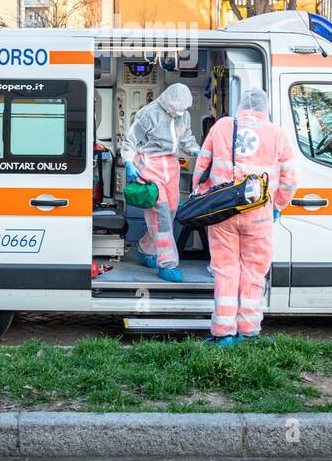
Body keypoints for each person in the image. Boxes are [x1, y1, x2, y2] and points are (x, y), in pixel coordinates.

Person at [193, 88, 298, 346]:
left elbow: (202, 168)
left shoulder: (222, 126)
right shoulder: (277, 134)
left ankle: (223, 332)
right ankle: (249, 330)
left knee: (225, 270)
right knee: (253, 271)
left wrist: (203, 196)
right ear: (265, 107)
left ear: (241, 105)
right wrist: (278, 205)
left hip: (223, 213)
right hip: (258, 214)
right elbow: (291, 179)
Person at [121, 83, 200, 282]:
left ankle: (145, 249)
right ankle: (167, 263)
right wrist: (129, 163)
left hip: (170, 168)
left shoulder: (183, 114)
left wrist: (196, 150)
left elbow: (186, 139)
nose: (179, 113)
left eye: (182, 110)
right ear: (167, 102)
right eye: (176, 109)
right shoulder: (148, 114)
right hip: (150, 167)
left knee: (170, 214)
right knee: (161, 217)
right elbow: (130, 141)